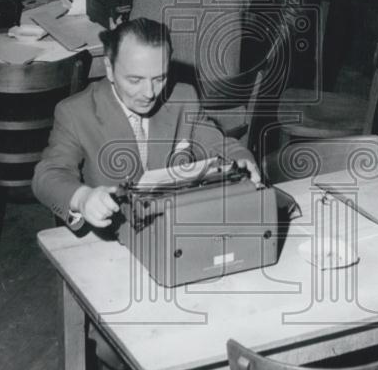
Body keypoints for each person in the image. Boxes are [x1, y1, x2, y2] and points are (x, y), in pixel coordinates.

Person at [32, 18, 261, 229]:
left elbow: (219, 145)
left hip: (176, 226)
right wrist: (82, 198)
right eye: (135, 80)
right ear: (110, 69)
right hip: (113, 235)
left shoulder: (183, 97)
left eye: (160, 78)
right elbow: (48, 174)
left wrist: (242, 160)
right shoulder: (75, 112)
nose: (149, 93)